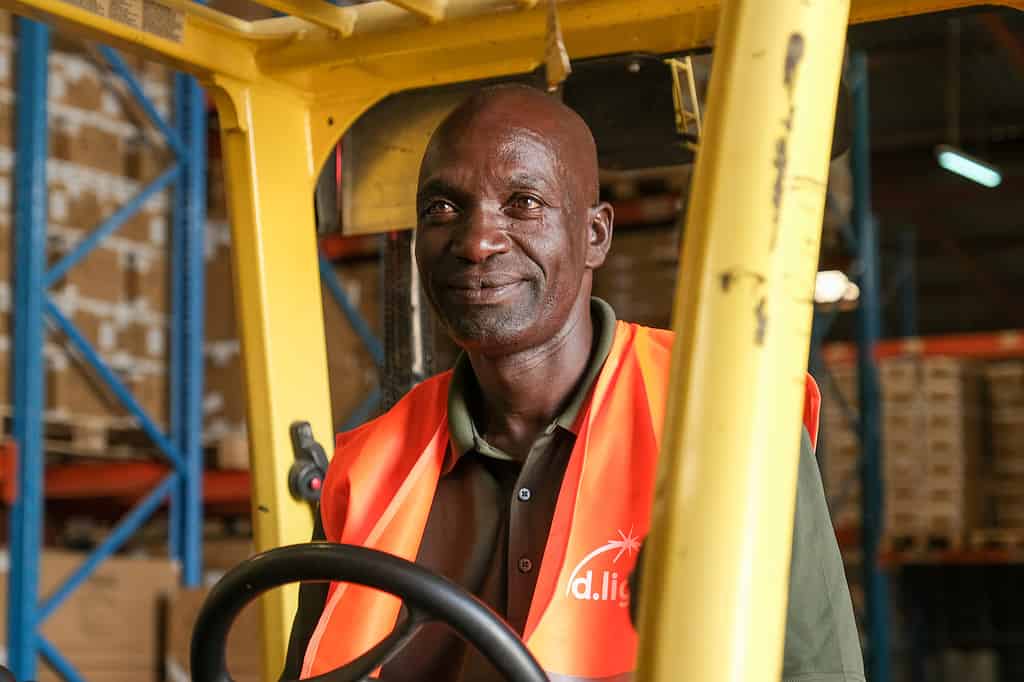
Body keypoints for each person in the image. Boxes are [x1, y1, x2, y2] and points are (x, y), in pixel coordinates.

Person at [283, 83, 865, 682]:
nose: (477, 242)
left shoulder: (728, 420)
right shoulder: (366, 472)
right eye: (443, 209)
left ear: (595, 237)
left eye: (523, 203)